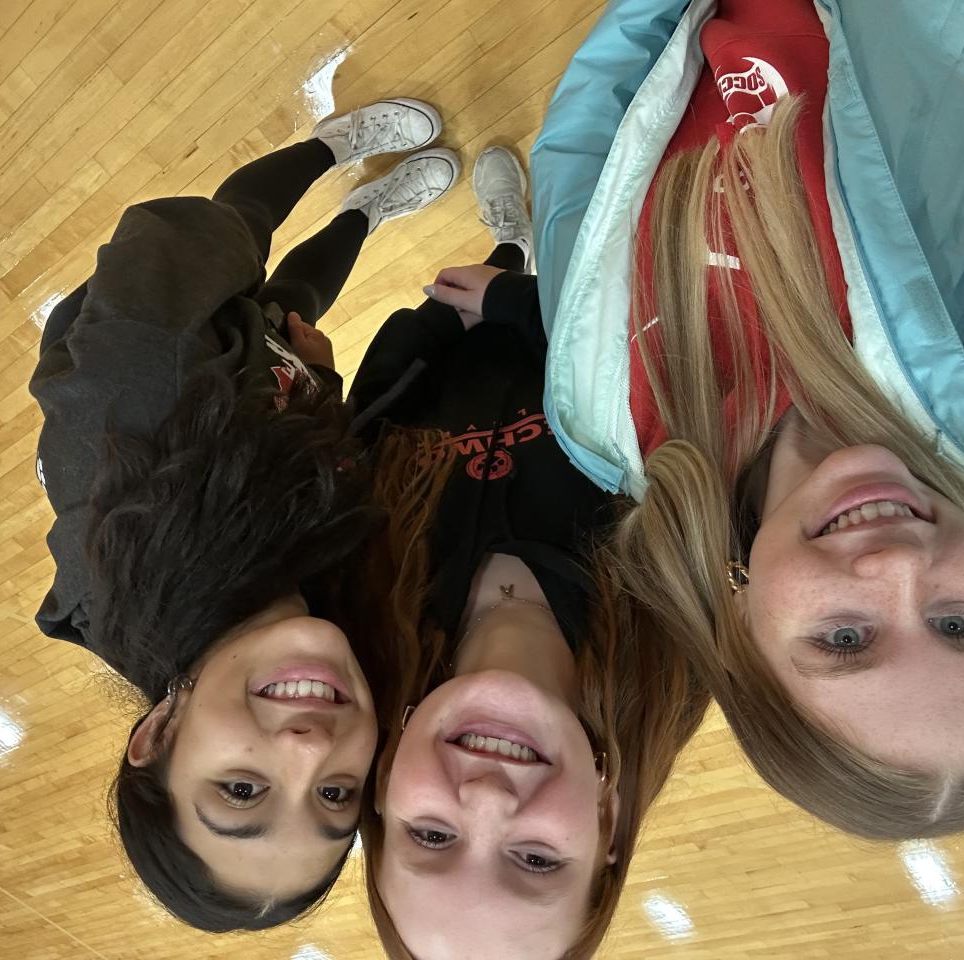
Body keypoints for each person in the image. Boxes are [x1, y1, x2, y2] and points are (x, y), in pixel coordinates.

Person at [496, 0, 964, 840]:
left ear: (744, 641)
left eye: (846, 638)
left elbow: (582, 157)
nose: (901, 567)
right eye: (960, 624)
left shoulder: (605, 426)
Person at [28, 98, 462, 930]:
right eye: (334, 795)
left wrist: (233, 257)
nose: (310, 750)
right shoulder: (320, 618)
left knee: (244, 232)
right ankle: (368, 212)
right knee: (300, 304)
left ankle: (330, 146)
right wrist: (318, 389)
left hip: (173, 324)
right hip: (268, 400)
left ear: (157, 735)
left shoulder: (139, 397)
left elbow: (175, 235)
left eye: (240, 788)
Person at [351, 146, 706, 959]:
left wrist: (436, 326)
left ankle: (511, 235)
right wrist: (517, 301)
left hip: (459, 335)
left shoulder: (359, 613)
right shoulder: (682, 623)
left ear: (386, 788)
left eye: (431, 837)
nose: (484, 799)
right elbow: (677, 363)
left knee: (504, 253)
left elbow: (369, 422)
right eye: (536, 860)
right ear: (606, 823)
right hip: (602, 256)